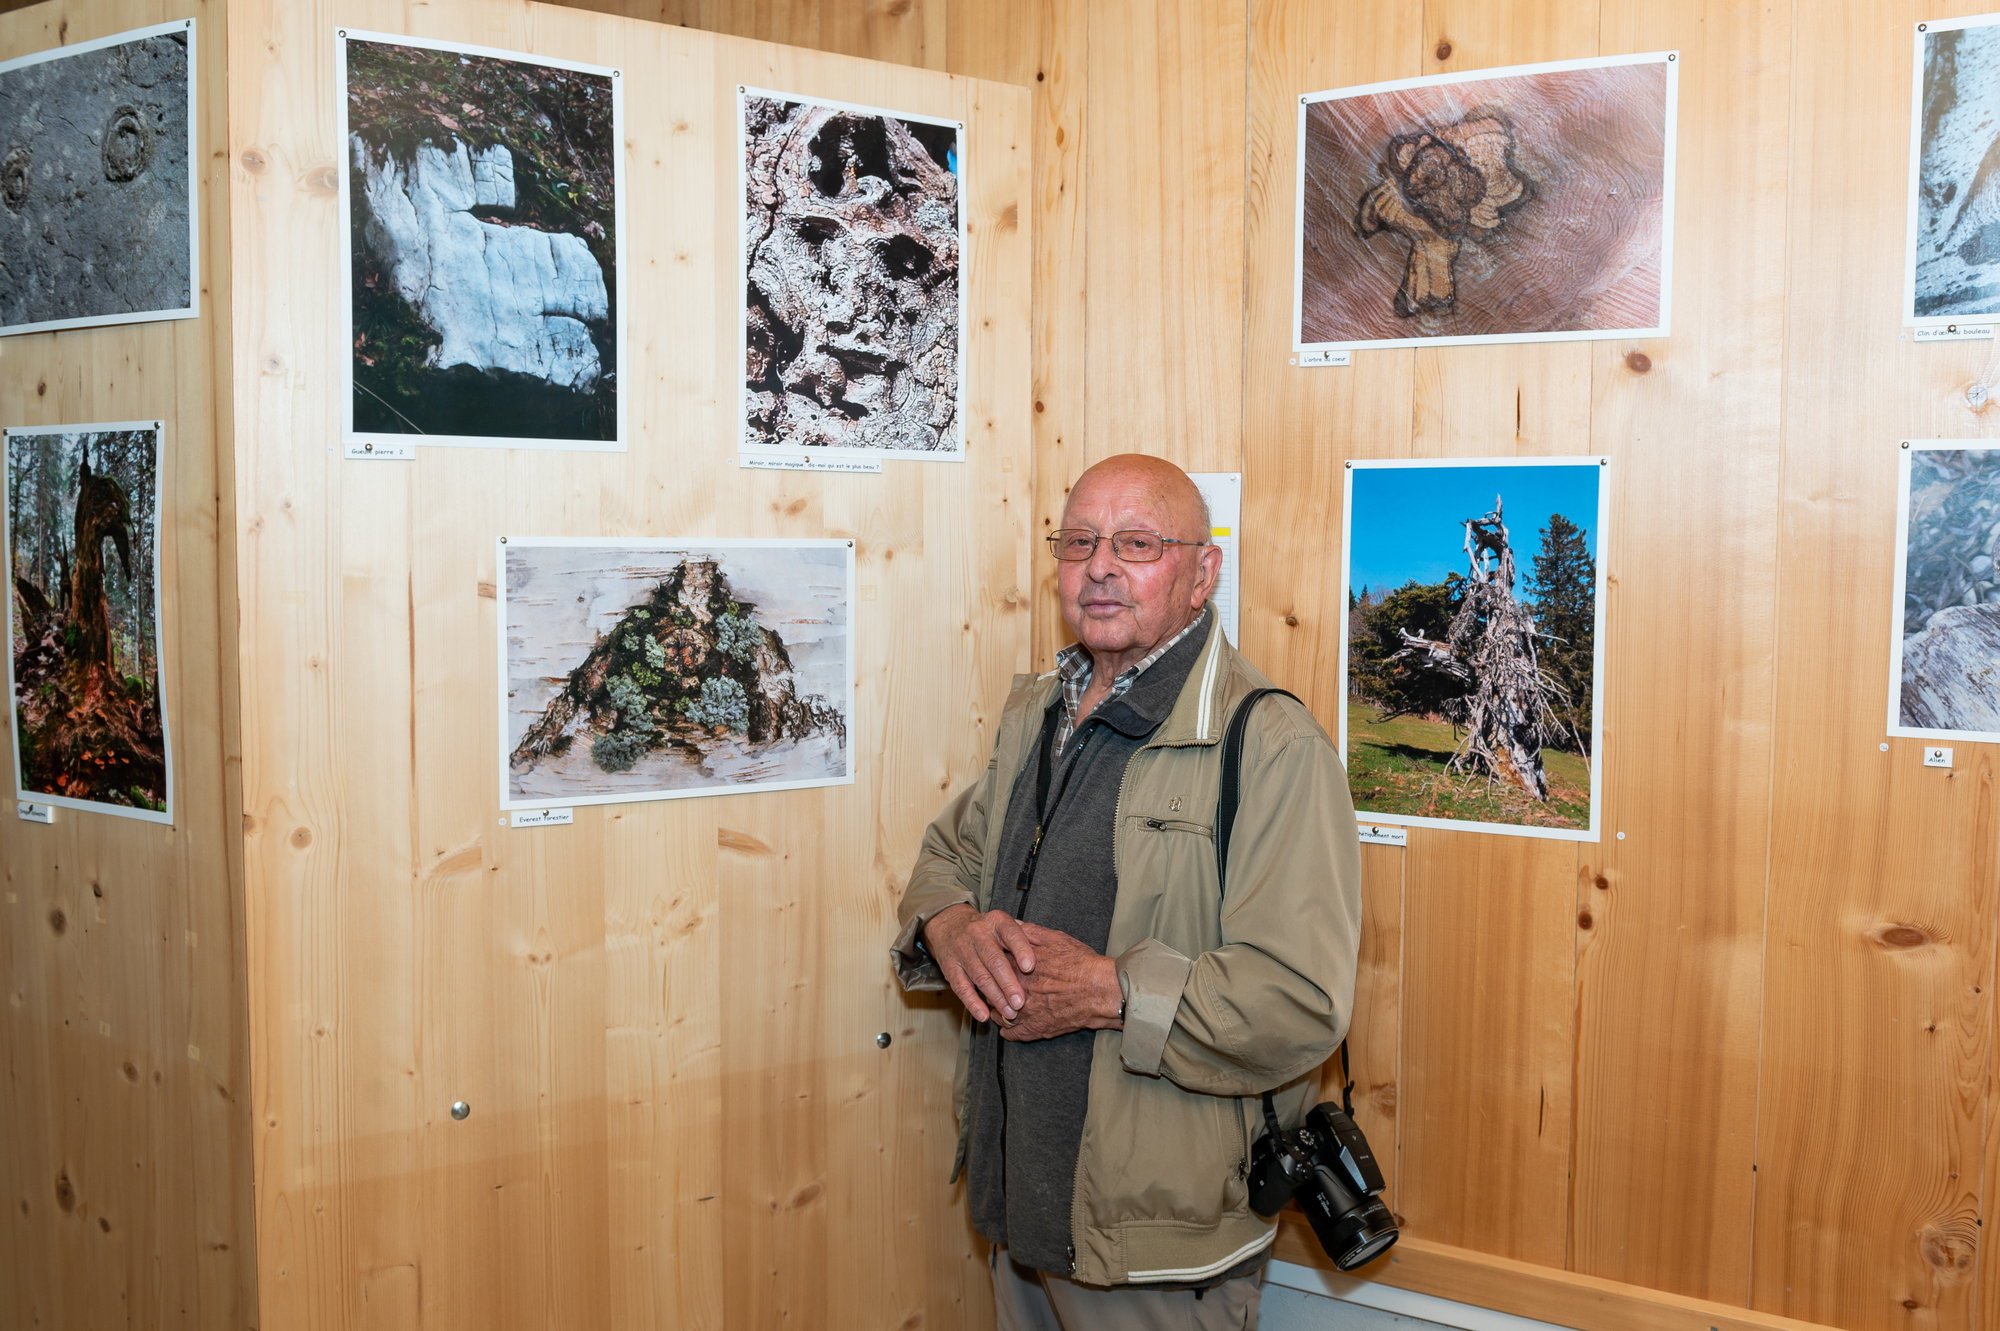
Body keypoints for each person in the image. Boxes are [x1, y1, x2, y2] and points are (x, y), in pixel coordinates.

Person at [891, 454, 1364, 1329]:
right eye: (1079, 541)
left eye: (1137, 542)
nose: (1099, 565)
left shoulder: (1268, 743)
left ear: (1201, 573)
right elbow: (947, 854)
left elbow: (1299, 1000)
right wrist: (951, 924)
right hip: (1017, 1217)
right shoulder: (1038, 708)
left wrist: (1111, 991)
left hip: (1157, 1250)